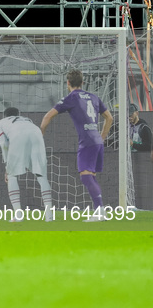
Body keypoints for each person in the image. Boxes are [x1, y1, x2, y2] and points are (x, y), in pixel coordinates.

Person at [40, 69, 113, 222]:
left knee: (86, 177)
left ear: (68, 83)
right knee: (91, 176)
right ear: (82, 82)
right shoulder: (94, 97)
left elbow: (47, 116)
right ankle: (99, 210)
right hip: (97, 141)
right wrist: (102, 137)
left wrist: (40, 136)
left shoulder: (71, 98)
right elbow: (109, 118)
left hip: (87, 141)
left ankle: (100, 211)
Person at [0, 107, 53, 222]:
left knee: (12, 175)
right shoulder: (27, 120)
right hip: (37, 134)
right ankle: (49, 216)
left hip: (18, 136)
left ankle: (18, 215)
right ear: (18, 114)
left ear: (4, 115)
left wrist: (7, 166)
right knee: (42, 176)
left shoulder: (2, 122)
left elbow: (3, 144)